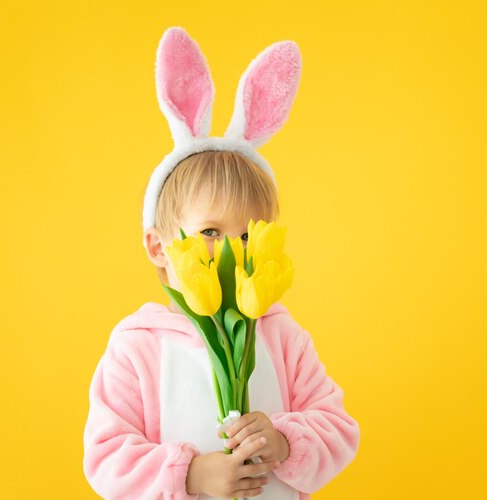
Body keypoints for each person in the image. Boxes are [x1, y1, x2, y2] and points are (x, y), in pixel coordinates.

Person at [83, 28, 360, 499]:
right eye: (211, 232)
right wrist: (189, 474)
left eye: (249, 234)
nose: (233, 250)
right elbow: (106, 457)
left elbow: (337, 427)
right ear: (158, 247)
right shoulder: (137, 347)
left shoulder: (282, 334)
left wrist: (284, 442)